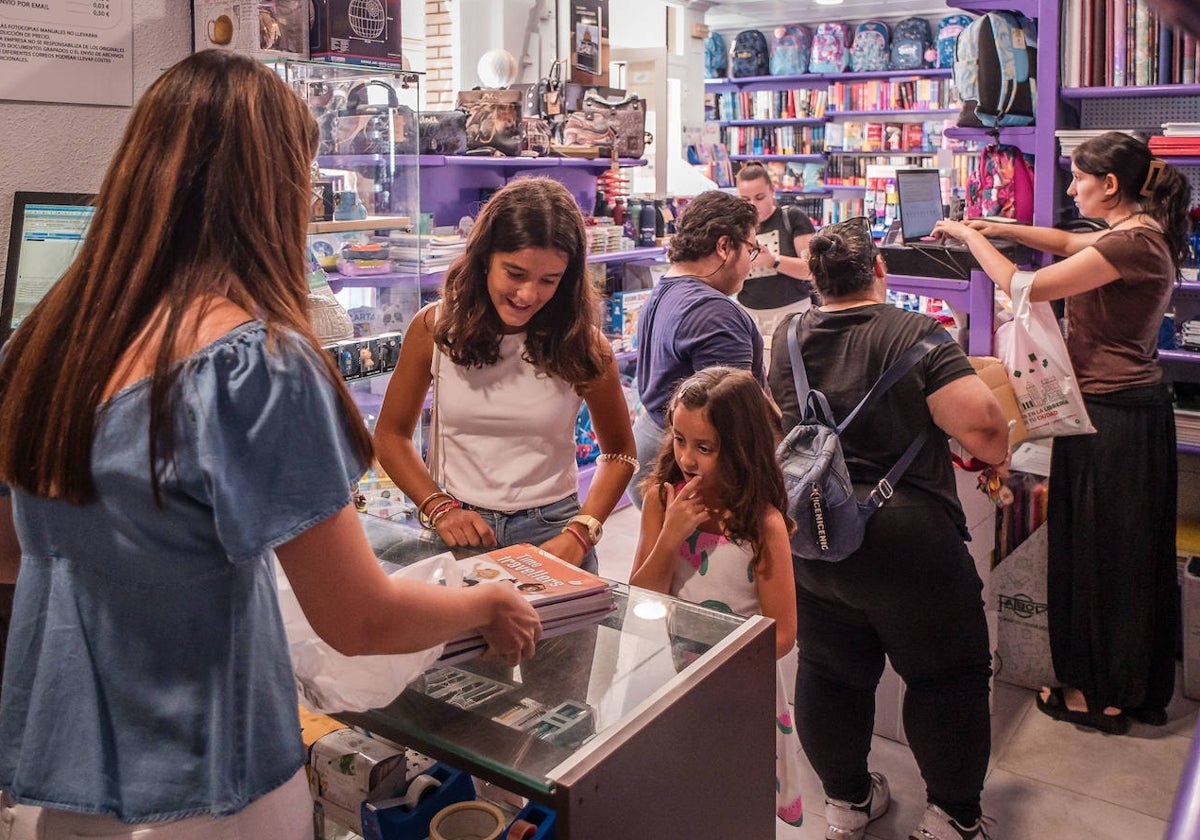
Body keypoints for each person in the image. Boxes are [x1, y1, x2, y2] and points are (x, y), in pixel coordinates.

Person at [0, 50, 541, 839]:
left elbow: (13, 552)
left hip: (70, 789)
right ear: (274, 189)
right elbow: (359, 620)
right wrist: (487, 600)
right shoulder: (253, 367)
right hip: (214, 786)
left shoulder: (39, 346)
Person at [934, 131, 1190, 735]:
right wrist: (1005, 226)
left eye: (1078, 179)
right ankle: (1118, 683)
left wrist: (973, 240)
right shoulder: (1137, 233)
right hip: (1119, 412)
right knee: (1116, 551)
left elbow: (1024, 288)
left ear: (1110, 185)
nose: (1070, 188)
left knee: (1106, 555)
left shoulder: (1132, 243)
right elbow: (1070, 241)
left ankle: (1102, 695)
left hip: (1114, 418)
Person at [767, 218, 1009, 840]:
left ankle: (847, 803)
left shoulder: (788, 335)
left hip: (813, 533)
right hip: (907, 536)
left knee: (830, 671)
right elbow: (982, 425)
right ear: (879, 270)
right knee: (946, 676)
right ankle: (952, 817)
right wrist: (994, 454)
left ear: (815, 281)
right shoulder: (917, 332)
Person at [373, 177, 637, 575]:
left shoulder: (584, 344)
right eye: (514, 273)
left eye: (549, 280)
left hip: (555, 531)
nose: (528, 294)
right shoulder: (434, 328)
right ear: (484, 259)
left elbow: (619, 452)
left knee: (558, 640)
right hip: (459, 530)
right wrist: (437, 505)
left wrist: (582, 532)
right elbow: (390, 435)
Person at [629, 366, 804, 827]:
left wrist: (722, 661)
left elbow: (782, 632)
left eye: (704, 448)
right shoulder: (662, 501)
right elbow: (639, 601)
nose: (687, 458)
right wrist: (670, 536)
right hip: (667, 676)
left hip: (737, 689)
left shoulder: (761, 523)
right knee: (675, 797)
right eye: (680, 439)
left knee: (731, 802)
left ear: (741, 448)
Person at [628, 190, 763, 506]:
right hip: (690, 474)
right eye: (751, 250)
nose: (751, 265)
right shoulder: (713, 313)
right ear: (724, 246)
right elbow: (733, 424)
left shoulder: (667, 289)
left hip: (658, 454)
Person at [735, 161, 818, 352]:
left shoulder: (792, 218)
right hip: (750, 313)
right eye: (745, 199)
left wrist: (774, 261)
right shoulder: (737, 226)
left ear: (772, 191)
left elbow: (813, 268)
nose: (753, 205)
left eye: (759, 197)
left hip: (791, 311)